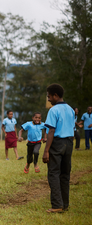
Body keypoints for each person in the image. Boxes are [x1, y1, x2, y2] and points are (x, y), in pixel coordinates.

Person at [42, 84, 75, 213]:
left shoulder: (53, 110)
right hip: (69, 143)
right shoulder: (71, 109)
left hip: (57, 143)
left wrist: (46, 151)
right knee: (65, 174)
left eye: (49, 96)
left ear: (55, 95)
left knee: (53, 173)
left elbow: (51, 130)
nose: (48, 99)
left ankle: (56, 205)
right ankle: (65, 204)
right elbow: (72, 129)